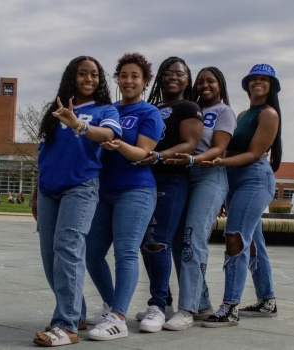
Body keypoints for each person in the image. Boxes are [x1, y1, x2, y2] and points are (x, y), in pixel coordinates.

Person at [31, 56, 122, 346]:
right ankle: (77, 312)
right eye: (82, 73)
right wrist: (35, 192)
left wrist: (78, 125)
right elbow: (44, 154)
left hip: (80, 187)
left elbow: (107, 134)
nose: (89, 79)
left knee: (67, 249)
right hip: (48, 190)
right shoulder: (54, 110)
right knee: (50, 256)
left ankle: (66, 326)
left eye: (94, 74)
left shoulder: (105, 109)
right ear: (72, 76)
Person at [85, 53, 164, 341]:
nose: (128, 81)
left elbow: (144, 153)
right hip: (103, 190)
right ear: (117, 79)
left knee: (126, 252)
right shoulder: (107, 108)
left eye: (135, 76)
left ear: (144, 82)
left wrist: (118, 146)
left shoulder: (148, 113)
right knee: (91, 253)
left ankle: (118, 318)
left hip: (136, 189)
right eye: (124, 75)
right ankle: (111, 306)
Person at [201, 63, 282, 327]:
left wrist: (219, 163)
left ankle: (230, 307)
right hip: (235, 180)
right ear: (247, 85)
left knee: (235, 237)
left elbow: (253, 154)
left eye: (263, 79)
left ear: (271, 86)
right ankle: (267, 300)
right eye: (253, 79)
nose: (257, 83)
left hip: (254, 179)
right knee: (254, 242)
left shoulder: (268, 114)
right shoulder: (245, 113)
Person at [163, 67, 237, 330]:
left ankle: (187, 309)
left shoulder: (223, 112)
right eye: (201, 81)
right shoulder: (190, 108)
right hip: (185, 176)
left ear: (220, 84)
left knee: (192, 239)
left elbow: (218, 148)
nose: (205, 85)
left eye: (211, 81)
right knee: (176, 239)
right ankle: (202, 302)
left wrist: (194, 159)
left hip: (209, 176)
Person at [134, 57, 204, 333]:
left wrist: (158, 156)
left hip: (172, 179)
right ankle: (164, 301)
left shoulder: (189, 107)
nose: (173, 77)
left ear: (188, 80)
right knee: (144, 241)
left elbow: (190, 143)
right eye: (168, 73)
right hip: (144, 179)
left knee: (159, 241)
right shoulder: (152, 107)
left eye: (180, 73)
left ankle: (158, 305)